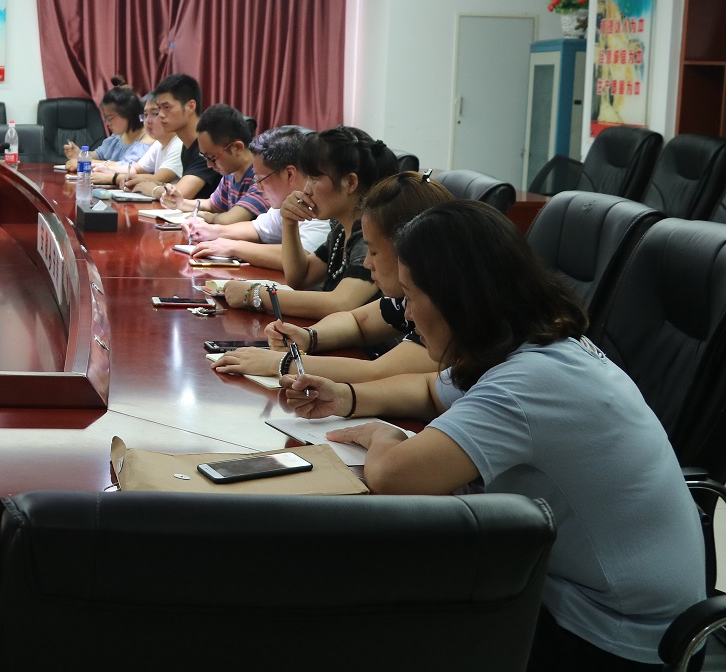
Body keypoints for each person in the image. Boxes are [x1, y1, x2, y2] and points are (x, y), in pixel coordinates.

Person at [282, 200, 705, 670]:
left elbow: (393, 477)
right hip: (585, 590)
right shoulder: (533, 344)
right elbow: (430, 390)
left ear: (456, 300)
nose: (408, 314)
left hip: (617, 637)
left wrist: (384, 436)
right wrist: (347, 397)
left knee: (378, 607)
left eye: (412, 296)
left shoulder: (530, 382)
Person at [212, 171, 451, 382]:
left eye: (374, 252)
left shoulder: (446, 312)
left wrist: (281, 363)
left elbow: (378, 372)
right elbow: (357, 323)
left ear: (411, 251)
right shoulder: (409, 297)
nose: (367, 263)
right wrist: (308, 337)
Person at [214, 125, 396, 318]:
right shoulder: (341, 231)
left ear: (350, 183)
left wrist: (255, 295)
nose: (306, 189)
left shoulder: (370, 235)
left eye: (314, 179)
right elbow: (300, 277)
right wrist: (289, 222)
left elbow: (340, 304)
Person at [182, 125, 331, 270]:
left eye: (261, 179)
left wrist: (234, 247)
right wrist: (210, 231)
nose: (258, 187)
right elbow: (257, 229)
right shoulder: (289, 201)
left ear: (289, 174)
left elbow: (301, 258)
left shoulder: (319, 207)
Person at [157, 103, 265, 226]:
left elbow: (229, 219)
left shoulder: (262, 177)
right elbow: (212, 204)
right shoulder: (231, 173)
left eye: (212, 158)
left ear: (237, 148)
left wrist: (206, 216)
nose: (209, 164)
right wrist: (181, 203)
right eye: (205, 157)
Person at [134, 72, 220, 201]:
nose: (161, 115)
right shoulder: (186, 145)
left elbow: (181, 194)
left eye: (167, 107)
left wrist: (152, 189)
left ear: (190, 106)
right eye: (159, 108)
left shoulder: (207, 144)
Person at [64, 78, 151, 172]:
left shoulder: (147, 140)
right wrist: (80, 154)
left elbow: (128, 166)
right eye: (105, 118)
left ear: (128, 114)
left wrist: (86, 161)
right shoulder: (118, 135)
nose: (107, 123)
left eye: (110, 118)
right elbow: (99, 154)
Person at [111, 96, 182, 190]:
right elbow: (135, 168)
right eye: (145, 115)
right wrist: (105, 169)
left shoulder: (179, 144)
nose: (148, 121)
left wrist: (114, 178)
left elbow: (158, 178)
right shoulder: (158, 143)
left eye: (155, 114)